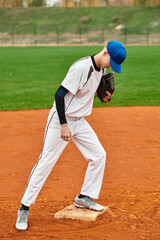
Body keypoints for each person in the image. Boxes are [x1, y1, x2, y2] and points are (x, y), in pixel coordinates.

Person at [15, 40, 126, 231]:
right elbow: (59, 95)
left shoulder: (100, 71)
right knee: (46, 162)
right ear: (105, 52)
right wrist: (64, 125)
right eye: (111, 62)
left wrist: (103, 95)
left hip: (79, 121)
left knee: (98, 155)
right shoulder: (81, 67)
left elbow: (89, 93)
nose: (111, 67)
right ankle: (24, 207)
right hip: (61, 120)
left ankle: (84, 197)